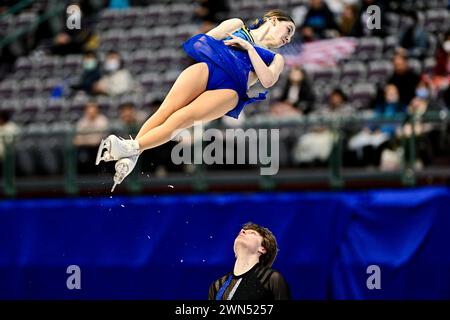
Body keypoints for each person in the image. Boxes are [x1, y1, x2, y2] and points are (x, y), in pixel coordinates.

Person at [95, 10, 296, 191]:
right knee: (165, 111)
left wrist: (249, 48)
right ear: (273, 20)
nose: (288, 39)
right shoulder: (237, 25)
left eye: (291, 37)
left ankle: (132, 148)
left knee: (181, 118)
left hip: (230, 89)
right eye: (288, 30)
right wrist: (221, 41)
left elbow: (268, 80)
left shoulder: (275, 58)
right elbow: (203, 42)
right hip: (207, 70)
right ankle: (132, 155)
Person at [208, 222, 291, 300]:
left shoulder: (271, 278)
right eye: (241, 231)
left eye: (252, 233)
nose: (242, 231)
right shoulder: (217, 285)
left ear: (262, 248)